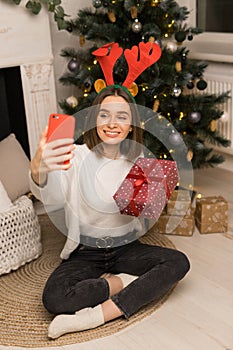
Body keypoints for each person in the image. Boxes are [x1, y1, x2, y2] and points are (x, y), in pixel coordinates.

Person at [29, 85, 190, 339]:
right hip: (86, 252)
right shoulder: (76, 155)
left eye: (122, 116)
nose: (112, 123)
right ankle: (124, 282)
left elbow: (141, 216)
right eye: (105, 115)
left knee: (178, 262)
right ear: (95, 120)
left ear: (131, 125)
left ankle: (96, 316)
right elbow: (50, 194)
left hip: (126, 248)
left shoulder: (138, 162)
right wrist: (40, 168)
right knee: (55, 297)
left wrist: (154, 196)